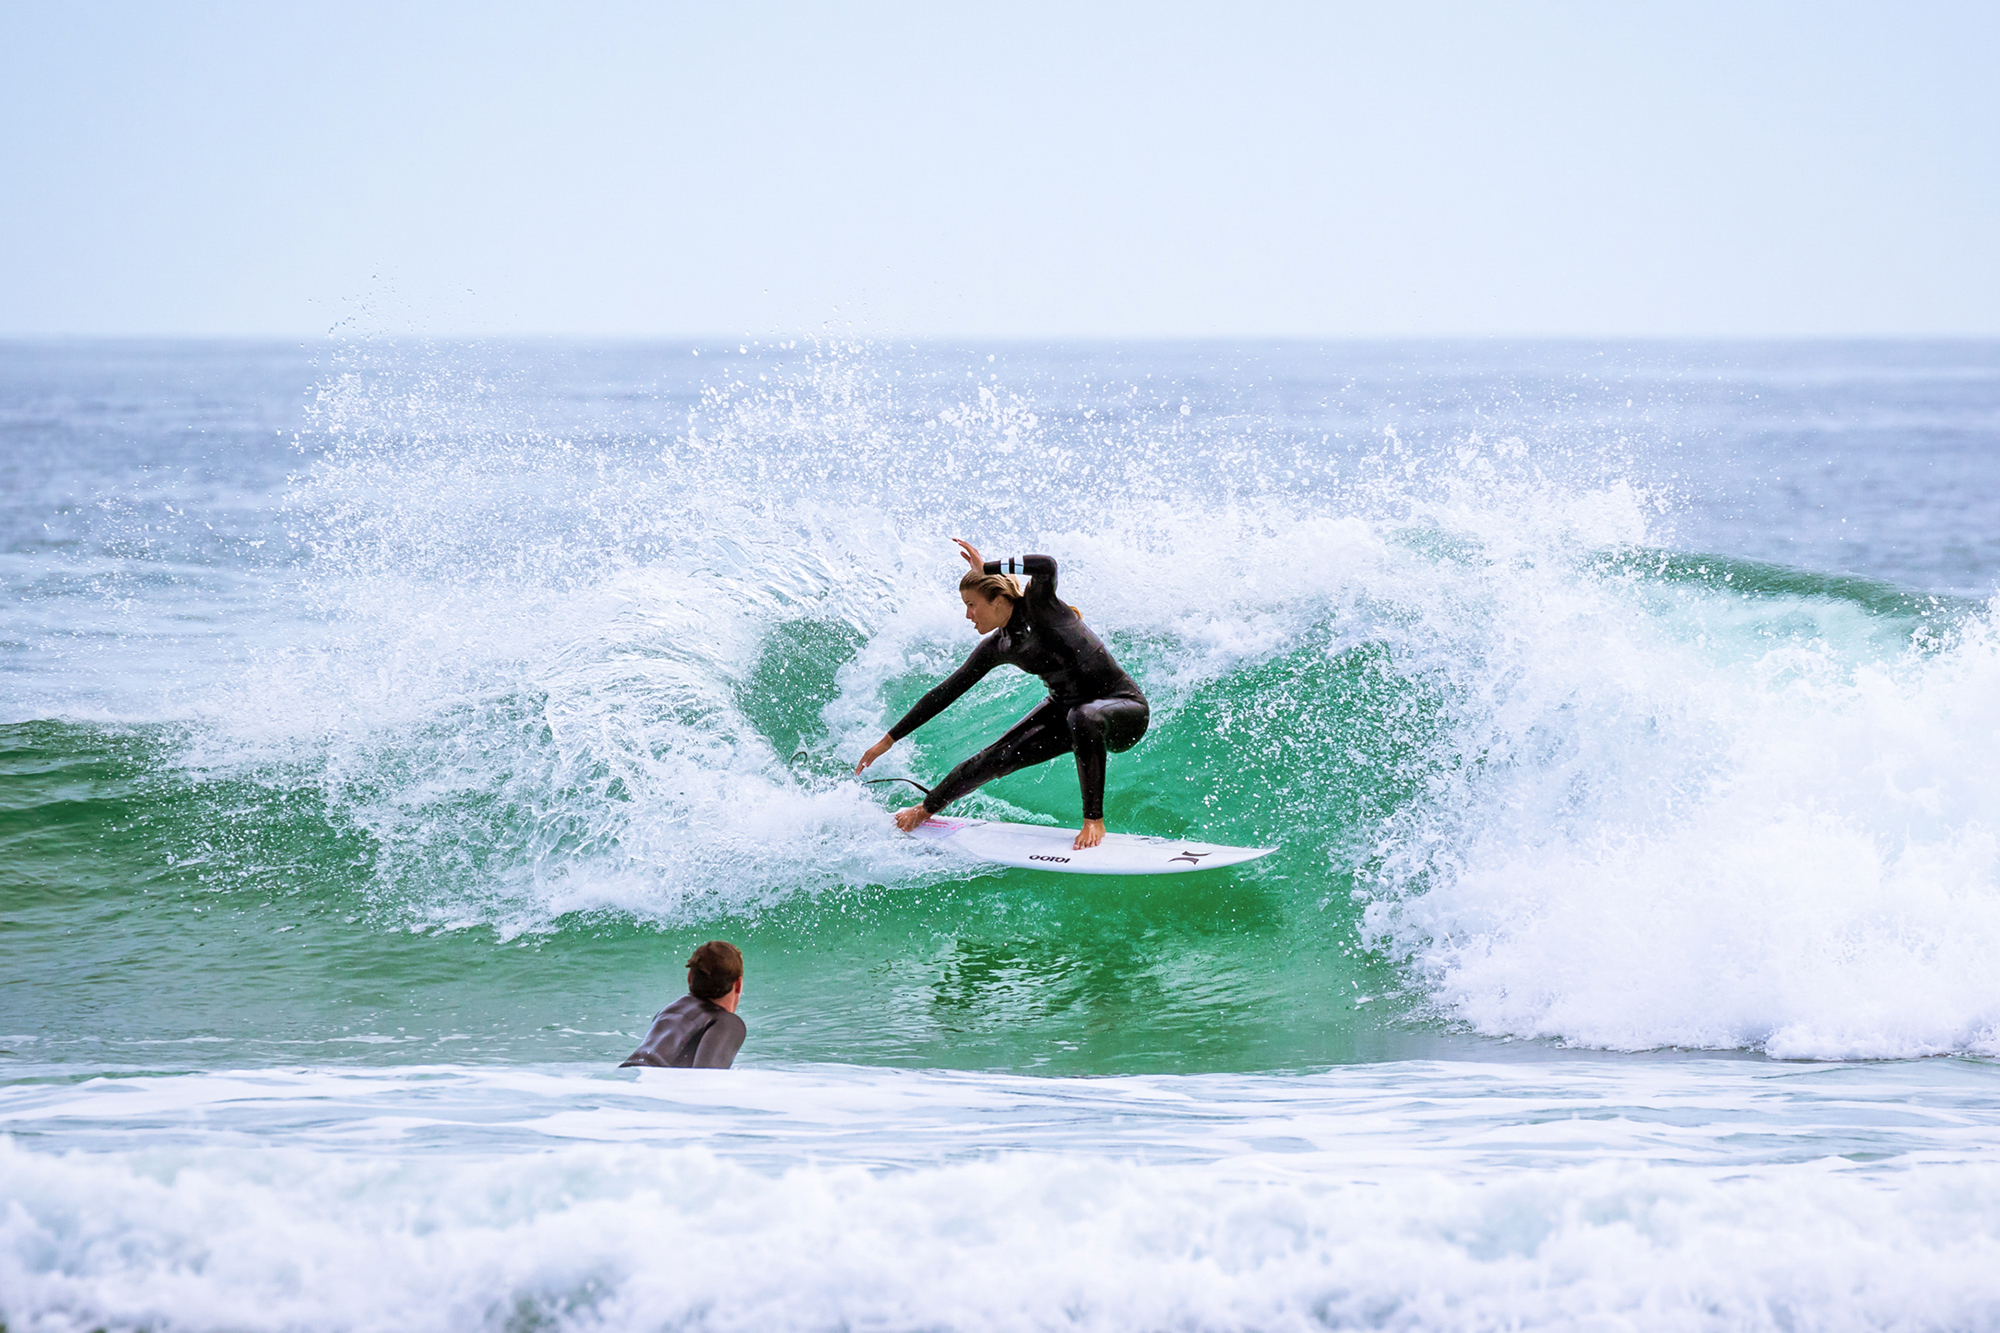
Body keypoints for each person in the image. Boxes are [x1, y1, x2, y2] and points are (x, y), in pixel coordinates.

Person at [855, 538, 1149, 850]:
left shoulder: (1041, 606)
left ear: (997, 599)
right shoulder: (999, 646)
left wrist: (988, 568)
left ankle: (1094, 821)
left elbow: (1046, 565)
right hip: (1070, 713)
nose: (968, 615)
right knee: (995, 756)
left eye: (972, 604)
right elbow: (945, 692)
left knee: (1082, 715)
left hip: (1124, 710)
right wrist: (888, 740)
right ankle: (923, 810)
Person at [620, 940, 747, 1069]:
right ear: (738, 984)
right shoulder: (727, 1022)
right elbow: (708, 1079)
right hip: (648, 1084)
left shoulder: (668, 1012)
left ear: (689, 977)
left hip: (621, 1077)